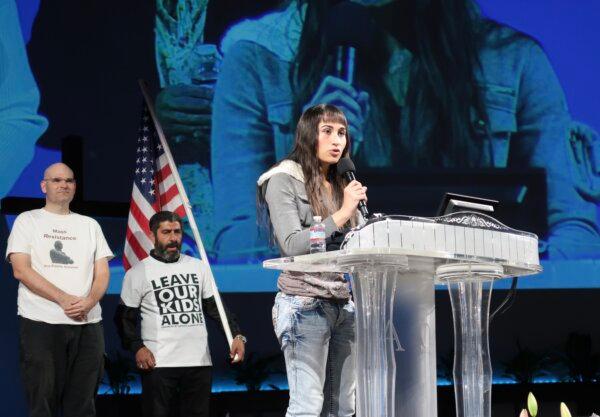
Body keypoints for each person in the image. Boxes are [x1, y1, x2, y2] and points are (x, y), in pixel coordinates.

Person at [211, 0, 600, 261]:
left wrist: (519, 286)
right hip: (328, 308)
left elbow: (573, 228)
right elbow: (239, 243)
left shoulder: (512, 60)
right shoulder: (260, 59)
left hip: (474, 299)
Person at [258, 104, 366, 417]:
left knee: (343, 407)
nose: (337, 141)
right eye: (327, 131)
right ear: (309, 136)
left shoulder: (344, 184)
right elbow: (293, 243)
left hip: (345, 304)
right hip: (304, 304)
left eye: (342, 133)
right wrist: (343, 213)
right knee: (308, 407)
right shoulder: (282, 179)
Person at [6, 162, 113, 417]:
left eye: (69, 180)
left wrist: (89, 301)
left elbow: (102, 273)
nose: (64, 185)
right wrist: (63, 299)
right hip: (41, 322)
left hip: (88, 324)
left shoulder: (90, 225)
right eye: (56, 180)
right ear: (44, 186)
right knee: (43, 401)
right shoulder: (28, 220)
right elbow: (20, 270)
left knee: (83, 405)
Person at [114, 210, 246, 417]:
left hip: (198, 362)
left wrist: (236, 335)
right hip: (159, 363)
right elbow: (123, 319)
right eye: (166, 232)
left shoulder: (198, 267)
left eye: (177, 232)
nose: (173, 238)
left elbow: (216, 308)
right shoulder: (138, 273)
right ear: (152, 236)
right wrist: (137, 347)